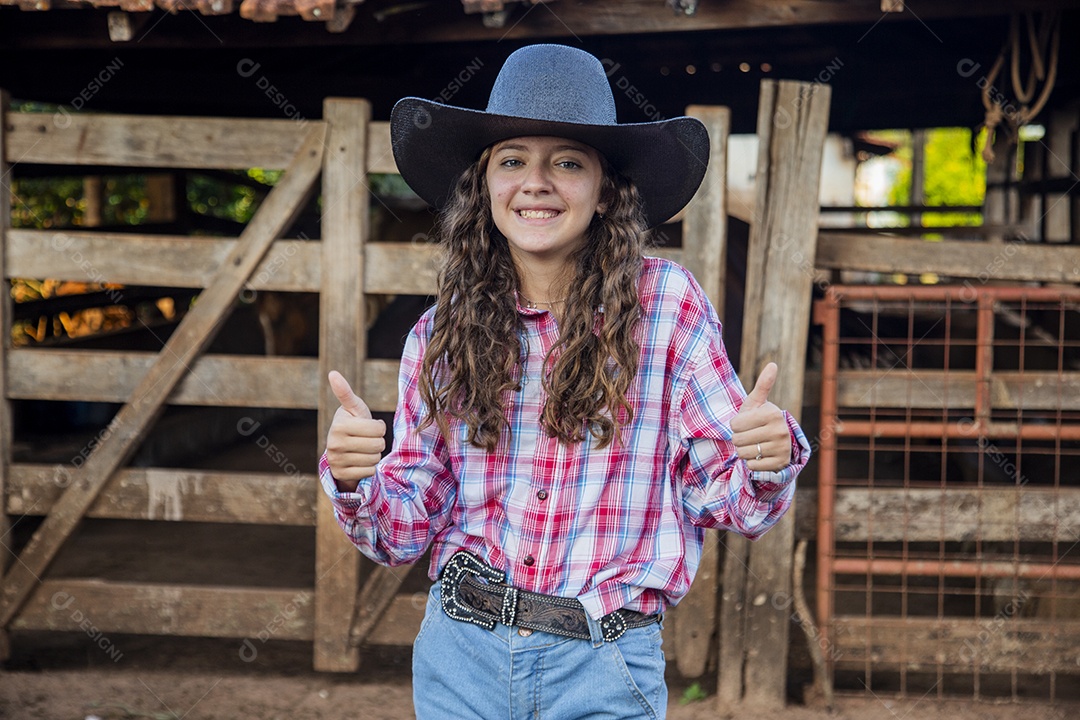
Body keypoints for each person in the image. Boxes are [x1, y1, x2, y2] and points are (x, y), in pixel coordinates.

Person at [321, 44, 810, 720]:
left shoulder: (668, 306)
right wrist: (357, 481)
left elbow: (726, 498)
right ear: (484, 183)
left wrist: (766, 457)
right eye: (513, 160)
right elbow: (403, 529)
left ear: (607, 188)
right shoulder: (440, 333)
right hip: (461, 658)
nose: (536, 182)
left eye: (569, 162)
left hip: (604, 666)